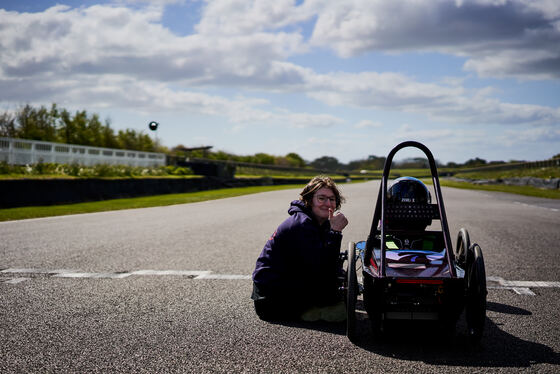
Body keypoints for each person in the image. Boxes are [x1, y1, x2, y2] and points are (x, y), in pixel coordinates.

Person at [251, 176, 349, 322]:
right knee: (342, 314)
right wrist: (335, 233)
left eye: (332, 199)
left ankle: (317, 306)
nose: (328, 203)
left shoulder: (320, 222)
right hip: (271, 300)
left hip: (285, 286)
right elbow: (322, 268)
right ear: (309, 200)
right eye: (321, 198)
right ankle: (314, 311)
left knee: (335, 294)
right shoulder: (302, 224)